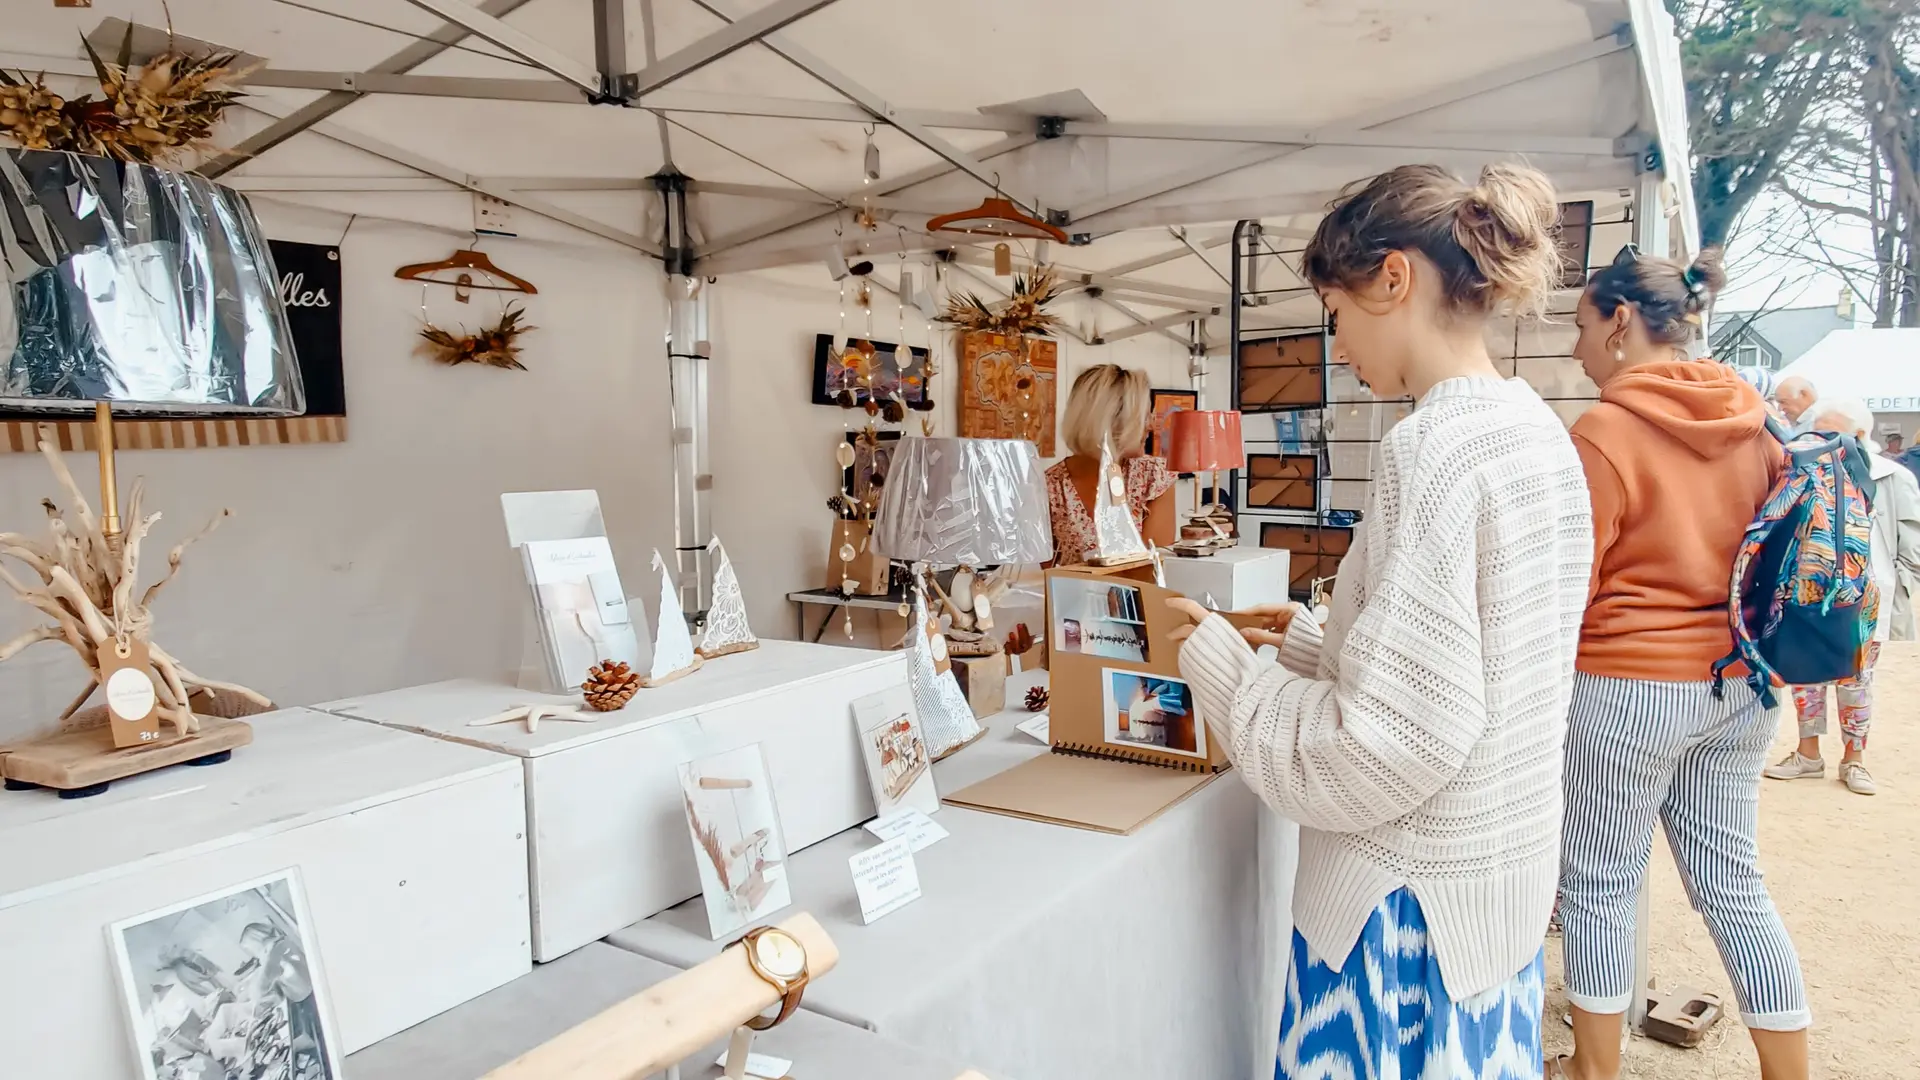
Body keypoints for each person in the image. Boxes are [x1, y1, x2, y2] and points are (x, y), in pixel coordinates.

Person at [1165, 163, 1593, 1077]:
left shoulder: (1431, 447)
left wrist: (1214, 662)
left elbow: (1387, 745)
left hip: (1402, 914)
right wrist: (1311, 643)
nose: (1338, 342)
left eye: (1336, 311)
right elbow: (1483, 666)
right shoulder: (1539, 433)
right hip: (1490, 894)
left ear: (1393, 279)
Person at [1556, 245, 1808, 1080]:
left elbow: (1572, 587)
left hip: (1627, 687)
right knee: (1736, 888)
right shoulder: (1756, 415)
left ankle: (1595, 1072)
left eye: (1583, 325)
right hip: (1741, 684)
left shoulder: (1605, 428)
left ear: (1620, 321)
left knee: (1599, 885)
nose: (1577, 348)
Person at [1765, 396, 1920, 793]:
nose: (1829, 442)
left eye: (1839, 434)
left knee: (1857, 677)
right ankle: (1807, 753)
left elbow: (1912, 544)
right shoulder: (1802, 469)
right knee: (1806, 676)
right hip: (1808, 590)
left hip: (1868, 596)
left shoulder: (1890, 476)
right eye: (1822, 432)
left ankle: (1855, 760)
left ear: (1861, 436)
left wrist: (1900, 588)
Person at [1044, 363, 1175, 565]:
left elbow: (1157, 567)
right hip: (1073, 595)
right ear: (1110, 421)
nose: (1150, 426)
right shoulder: (1051, 486)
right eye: (1142, 417)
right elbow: (1048, 574)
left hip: (1141, 596)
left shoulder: (1154, 477)